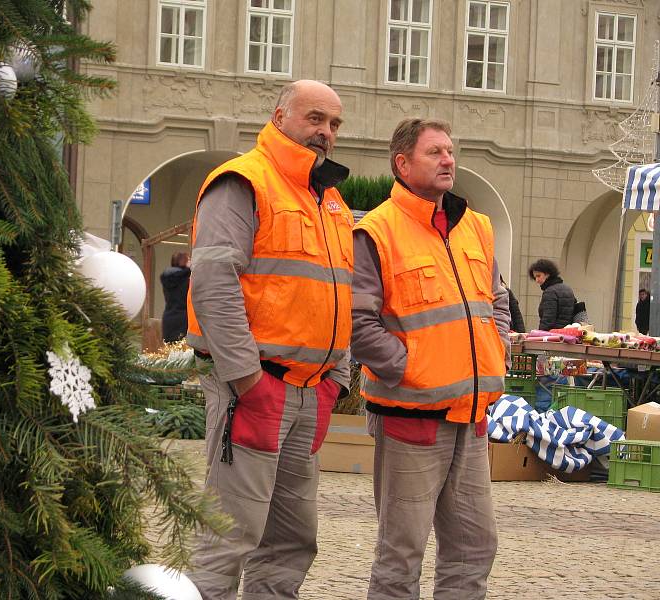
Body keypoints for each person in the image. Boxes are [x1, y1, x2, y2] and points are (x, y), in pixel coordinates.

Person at [186, 80, 353, 599]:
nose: (325, 132)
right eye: (315, 119)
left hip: (309, 392)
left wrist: (337, 380)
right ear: (280, 116)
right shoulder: (243, 181)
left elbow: (337, 294)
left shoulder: (329, 202)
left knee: (291, 542)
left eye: (334, 124)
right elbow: (214, 283)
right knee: (228, 536)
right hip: (257, 389)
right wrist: (247, 379)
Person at [351, 117, 509, 599]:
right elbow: (357, 322)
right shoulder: (375, 231)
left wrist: (493, 351)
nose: (448, 160)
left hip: (471, 416)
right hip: (410, 417)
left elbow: (498, 302)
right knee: (401, 553)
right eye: (434, 152)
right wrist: (411, 368)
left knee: (475, 546)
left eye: (450, 151)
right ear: (402, 164)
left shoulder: (476, 227)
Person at [528, 258, 577, 331]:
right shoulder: (568, 289)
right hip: (569, 334)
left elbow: (548, 320)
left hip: (554, 336)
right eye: (535, 277)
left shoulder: (550, 292)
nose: (537, 280)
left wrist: (539, 334)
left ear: (547, 274)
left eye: (538, 276)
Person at [159, 251, 191, 343]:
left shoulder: (166, 278)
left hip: (168, 318)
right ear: (185, 262)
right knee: (183, 354)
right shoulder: (186, 280)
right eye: (188, 259)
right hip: (184, 318)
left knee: (171, 353)